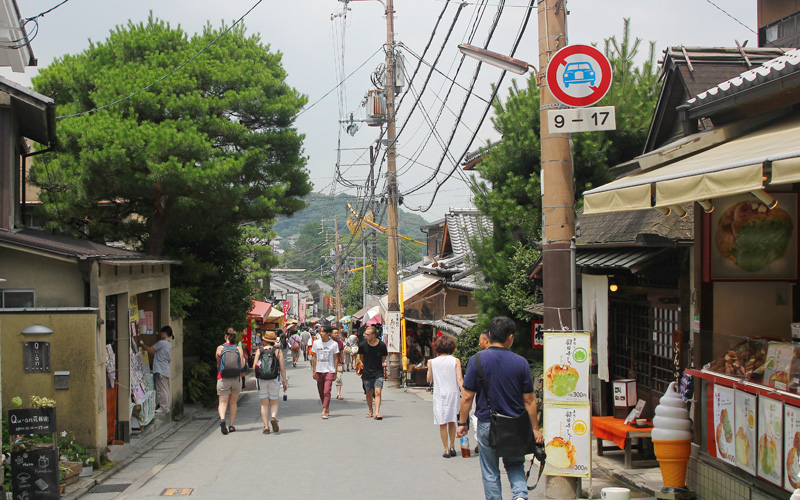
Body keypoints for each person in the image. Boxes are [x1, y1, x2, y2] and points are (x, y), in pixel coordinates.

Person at [457, 317, 544, 500]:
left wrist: (462, 422)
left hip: (488, 423)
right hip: (515, 424)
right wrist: (535, 429)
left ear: (489, 335)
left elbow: (467, 396)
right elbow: (529, 400)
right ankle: (520, 495)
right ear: (510, 337)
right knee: (515, 464)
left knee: (490, 470)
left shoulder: (477, 360)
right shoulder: (520, 362)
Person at [427, 335, 463, 458]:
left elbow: (429, 379)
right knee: (452, 420)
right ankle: (453, 446)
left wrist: (429, 370)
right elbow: (459, 379)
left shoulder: (432, 362)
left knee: (442, 423)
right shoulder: (455, 360)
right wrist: (464, 392)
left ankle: (446, 449)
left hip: (439, 394)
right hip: (453, 393)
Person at [253, 331, 288, 434]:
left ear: (264, 340)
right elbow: (282, 368)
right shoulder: (278, 351)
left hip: (262, 379)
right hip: (274, 379)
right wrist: (284, 382)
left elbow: (254, 365)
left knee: (264, 404)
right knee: (274, 402)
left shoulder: (259, 350)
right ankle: (273, 417)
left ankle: (266, 426)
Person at [216, 328, 247, 435]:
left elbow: (218, 363)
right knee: (233, 403)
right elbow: (242, 365)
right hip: (236, 378)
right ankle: (231, 425)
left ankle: (223, 419)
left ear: (225, 336)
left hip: (223, 378)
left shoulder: (220, 348)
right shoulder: (238, 348)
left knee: (222, 402)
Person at [138, 325, 174, 414]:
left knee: (161, 389)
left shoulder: (162, 343)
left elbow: (151, 349)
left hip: (160, 369)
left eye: (162, 332)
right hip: (165, 369)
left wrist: (143, 345)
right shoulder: (169, 344)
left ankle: (163, 407)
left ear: (164, 333)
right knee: (165, 388)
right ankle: (166, 406)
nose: (161, 334)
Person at [359, 325, 388, 420]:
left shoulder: (382, 345)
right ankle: (370, 410)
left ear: (374, 335)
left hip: (378, 371)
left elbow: (383, 358)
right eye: (365, 334)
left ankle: (377, 412)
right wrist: (365, 365)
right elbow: (361, 357)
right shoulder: (363, 345)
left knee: (378, 391)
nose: (366, 336)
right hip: (367, 372)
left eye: (368, 334)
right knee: (368, 392)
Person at [311, 325, 340, 419]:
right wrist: (314, 370)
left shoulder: (334, 344)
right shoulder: (316, 343)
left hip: (329, 370)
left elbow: (336, 358)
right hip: (319, 370)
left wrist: (335, 372)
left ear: (328, 333)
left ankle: (324, 409)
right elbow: (314, 357)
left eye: (323, 331)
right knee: (320, 390)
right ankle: (326, 406)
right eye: (320, 331)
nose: (321, 333)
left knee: (327, 390)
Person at [332, 329, 345, 400]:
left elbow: (341, 353)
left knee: (339, 378)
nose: (337, 334)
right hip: (330, 363)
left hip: (338, 363)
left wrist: (343, 362)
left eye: (337, 333)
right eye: (335, 333)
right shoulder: (328, 342)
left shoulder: (340, 342)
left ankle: (338, 394)